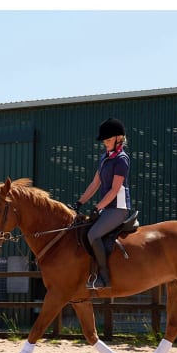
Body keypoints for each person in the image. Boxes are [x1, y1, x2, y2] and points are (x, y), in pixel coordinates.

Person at [72, 117, 131, 289]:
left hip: (118, 208)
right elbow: (95, 183)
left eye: (109, 139)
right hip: (107, 207)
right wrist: (79, 202)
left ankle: (104, 277)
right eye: (104, 140)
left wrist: (98, 207)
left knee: (93, 235)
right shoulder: (105, 158)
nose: (105, 143)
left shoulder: (122, 159)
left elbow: (114, 189)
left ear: (119, 138)